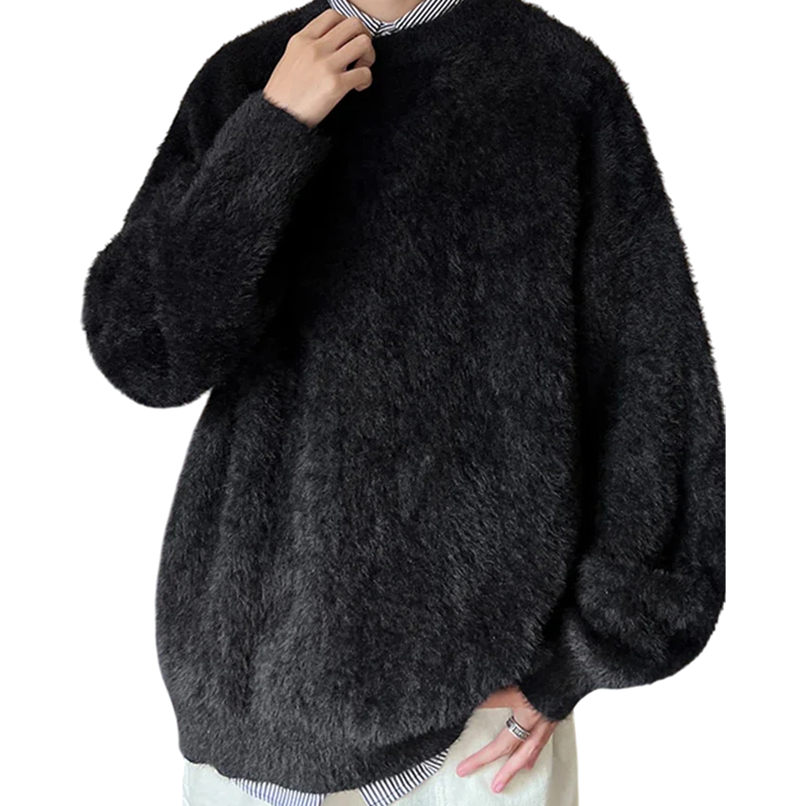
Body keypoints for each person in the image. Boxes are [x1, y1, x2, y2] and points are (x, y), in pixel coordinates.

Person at [80, 0, 726, 803]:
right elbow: (145, 355)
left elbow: (652, 378)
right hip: (244, 712)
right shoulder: (248, 78)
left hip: (477, 724)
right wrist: (272, 131)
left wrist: (578, 660)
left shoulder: (553, 82)